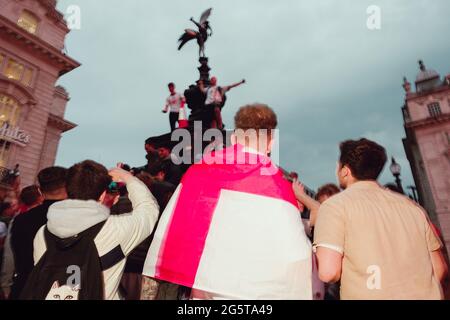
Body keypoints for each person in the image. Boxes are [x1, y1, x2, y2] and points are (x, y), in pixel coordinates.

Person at [142, 103, 312, 300]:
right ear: (271, 142)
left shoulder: (198, 172)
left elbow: (168, 239)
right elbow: (297, 259)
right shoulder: (279, 186)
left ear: (232, 138)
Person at [313, 138, 448, 300]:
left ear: (345, 170)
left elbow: (328, 272)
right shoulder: (412, 207)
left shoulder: (334, 206)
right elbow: (439, 268)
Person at [27, 161, 159, 300]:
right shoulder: (116, 230)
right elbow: (149, 209)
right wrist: (128, 178)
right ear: (102, 195)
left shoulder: (43, 233)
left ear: (68, 190)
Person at [5, 167, 68, 300]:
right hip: (57, 292)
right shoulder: (75, 220)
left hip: (23, 288)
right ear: (68, 188)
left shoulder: (21, 219)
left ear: (40, 190)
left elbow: (10, 257)